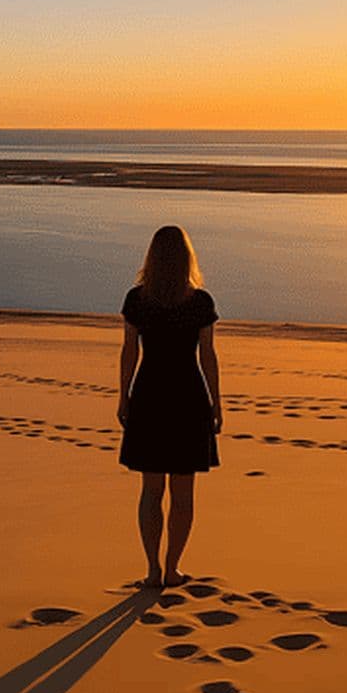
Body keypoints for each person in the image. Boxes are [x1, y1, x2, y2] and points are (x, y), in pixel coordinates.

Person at [117, 225, 222, 588]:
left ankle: (153, 570)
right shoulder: (199, 302)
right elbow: (207, 355)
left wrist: (124, 395)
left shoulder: (138, 299)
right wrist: (216, 401)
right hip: (187, 398)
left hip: (149, 395)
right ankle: (172, 568)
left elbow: (130, 351)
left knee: (151, 490)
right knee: (182, 493)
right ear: (186, 259)